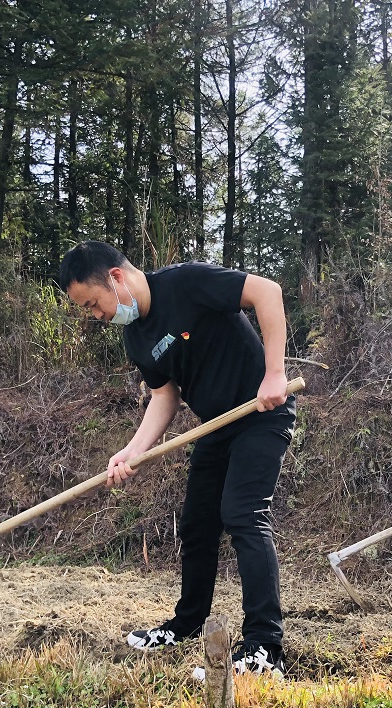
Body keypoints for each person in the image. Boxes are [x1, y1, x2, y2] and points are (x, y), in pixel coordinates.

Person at [59, 240, 296, 677]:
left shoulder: (187, 282)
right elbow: (164, 398)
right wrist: (132, 451)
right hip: (216, 426)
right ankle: (187, 624)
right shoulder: (136, 337)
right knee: (196, 524)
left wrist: (275, 373)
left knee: (243, 514)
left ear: (115, 277)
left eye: (93, 304)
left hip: (261, 415)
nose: (96, 315)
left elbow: (268, 291)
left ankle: (265, 648)